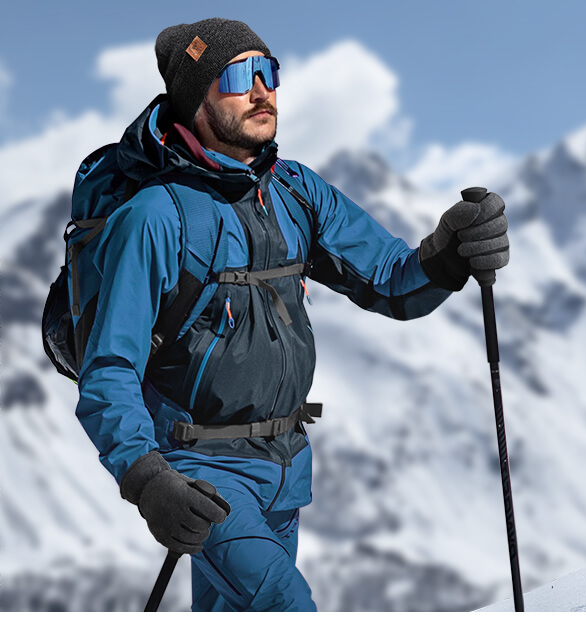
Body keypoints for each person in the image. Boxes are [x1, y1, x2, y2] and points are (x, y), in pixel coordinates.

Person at [72, 18, 509, 611]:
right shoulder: (154, 217)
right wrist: (148, 480)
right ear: (195, 100)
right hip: (203, 475)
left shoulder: (295, 191)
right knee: (287, 606)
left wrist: (450, 254)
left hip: (286, 468)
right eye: (237, 78)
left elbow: (390, 282)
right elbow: (109, 369)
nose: (261, 91)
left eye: (268, 72)